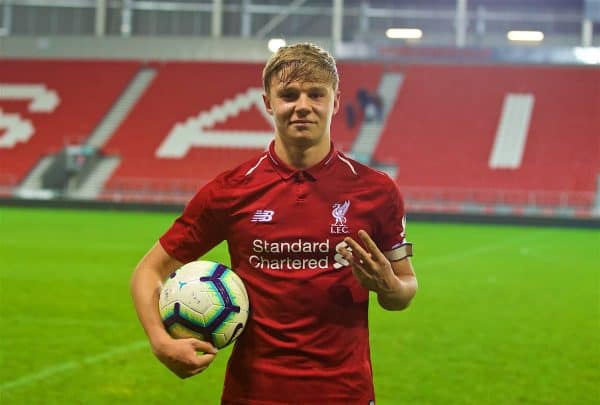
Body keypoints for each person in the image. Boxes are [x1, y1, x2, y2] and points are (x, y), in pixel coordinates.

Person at [131, 42, 417, 404]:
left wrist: (388, 285)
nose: (302, 106)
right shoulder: (231, 190)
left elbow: (405, 288)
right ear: (268, 102)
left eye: (316, 94)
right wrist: (160, 342)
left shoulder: (377, 191)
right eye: (289, 95)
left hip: (345, 394)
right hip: (252, 394)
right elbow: (148, 272)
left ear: (335, 100)